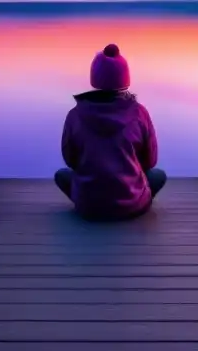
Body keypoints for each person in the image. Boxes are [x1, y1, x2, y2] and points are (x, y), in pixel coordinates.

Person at [55, 43, 166, 221]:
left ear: (94, 77)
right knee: (158, 176)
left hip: (89, 206)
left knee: (61, 175)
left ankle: (93, 202)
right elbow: (150, 161)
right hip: (132, 205)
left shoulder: (74, 115)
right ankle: (131, 203)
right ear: (125, 77)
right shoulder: (139, 113)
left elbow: (70, 161)